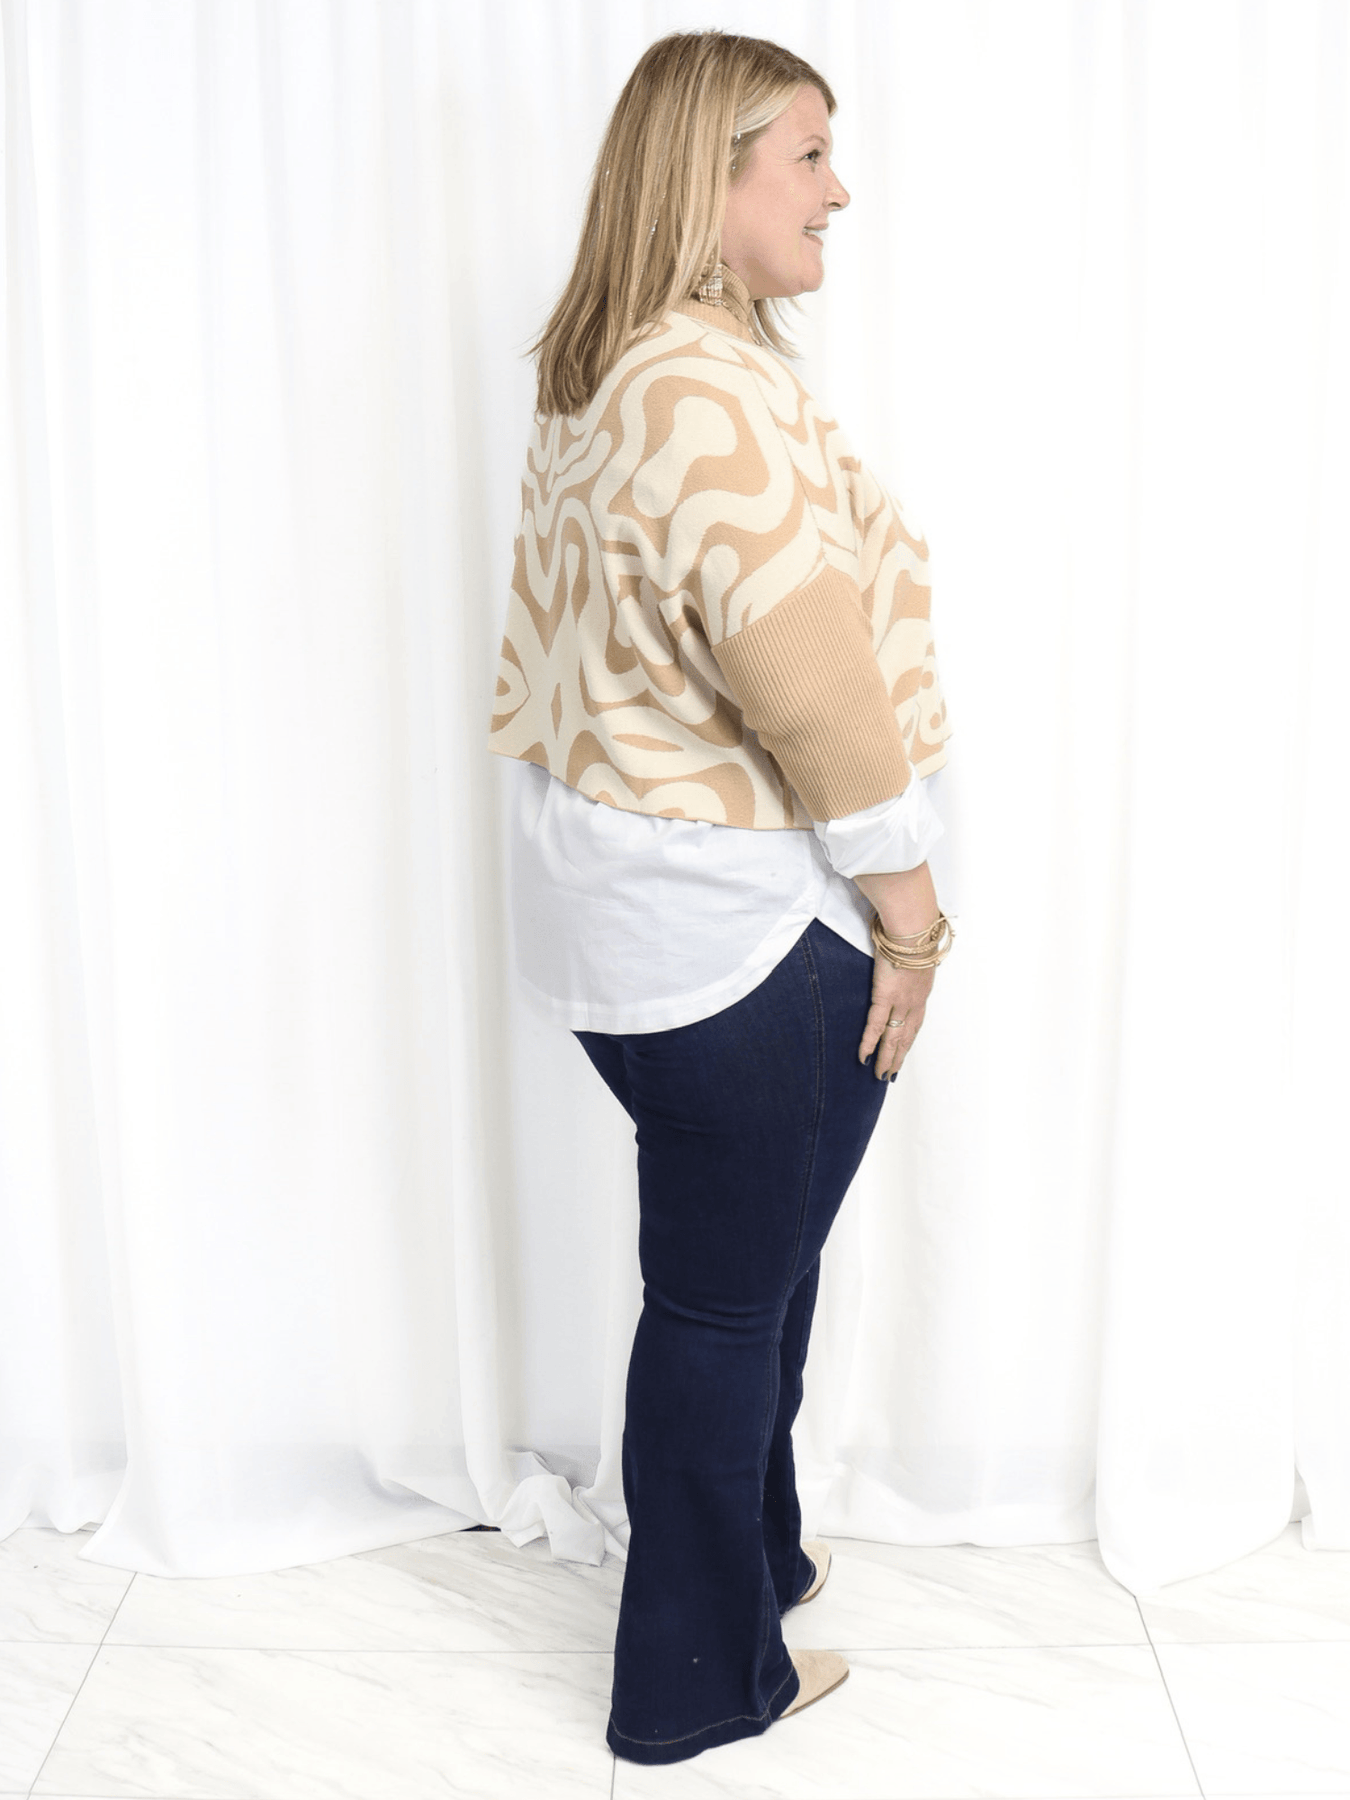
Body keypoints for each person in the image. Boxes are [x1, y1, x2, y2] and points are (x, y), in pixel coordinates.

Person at [488, 29, 955, 1767]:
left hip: (630, 917)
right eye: (808, 155)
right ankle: (695, 1678)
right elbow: (808, 687)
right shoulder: (700, 386)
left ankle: (756, 1561)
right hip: (740, 931)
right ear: (715, 173)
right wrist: (910, 918)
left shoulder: (618, 356)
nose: (840, 190)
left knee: (743, 1274)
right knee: (720, 1304)